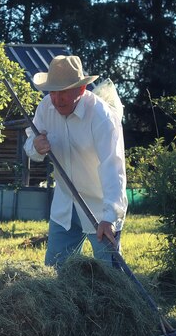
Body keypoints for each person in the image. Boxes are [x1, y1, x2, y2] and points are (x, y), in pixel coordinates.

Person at [23, 55, 128, 269]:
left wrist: (110, 217)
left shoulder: (102, 117)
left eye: (63, 92)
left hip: (99, 206)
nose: (56, 99)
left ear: (80, 90)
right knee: (55, 269)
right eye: (52, 91)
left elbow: (113, 168)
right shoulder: (45, 108)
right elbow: (30, 146)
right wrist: (36, 146)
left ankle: (117, 302)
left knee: (112, 274)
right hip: (65, 201)